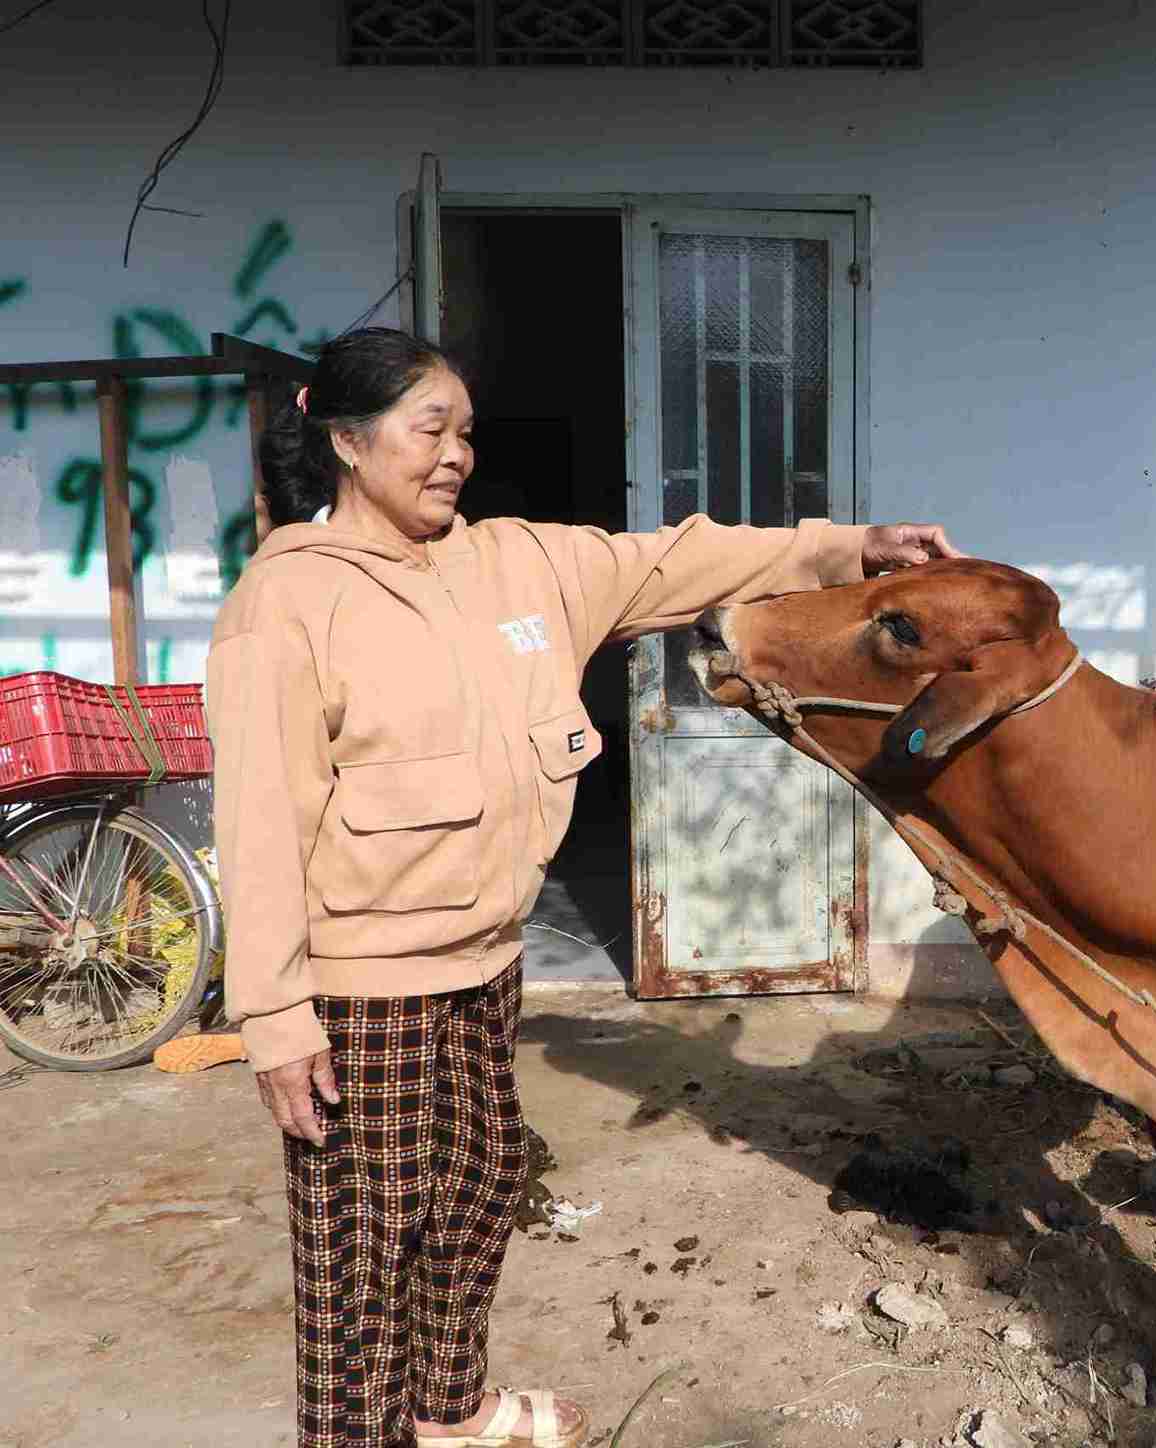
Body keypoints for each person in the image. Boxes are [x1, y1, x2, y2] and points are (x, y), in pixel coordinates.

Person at [207, 326, 960, 1448]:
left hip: (487, 961)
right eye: (430, 429)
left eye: (464, 431)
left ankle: (447, 1409)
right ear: (351, 442)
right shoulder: (287, 602)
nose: (455, 453)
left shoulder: (515, 562)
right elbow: (259, 816)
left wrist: (850, 545)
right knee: (361, 1249)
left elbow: (676, 561)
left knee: (476, 1190)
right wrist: (274, 1015)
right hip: (364, 986)